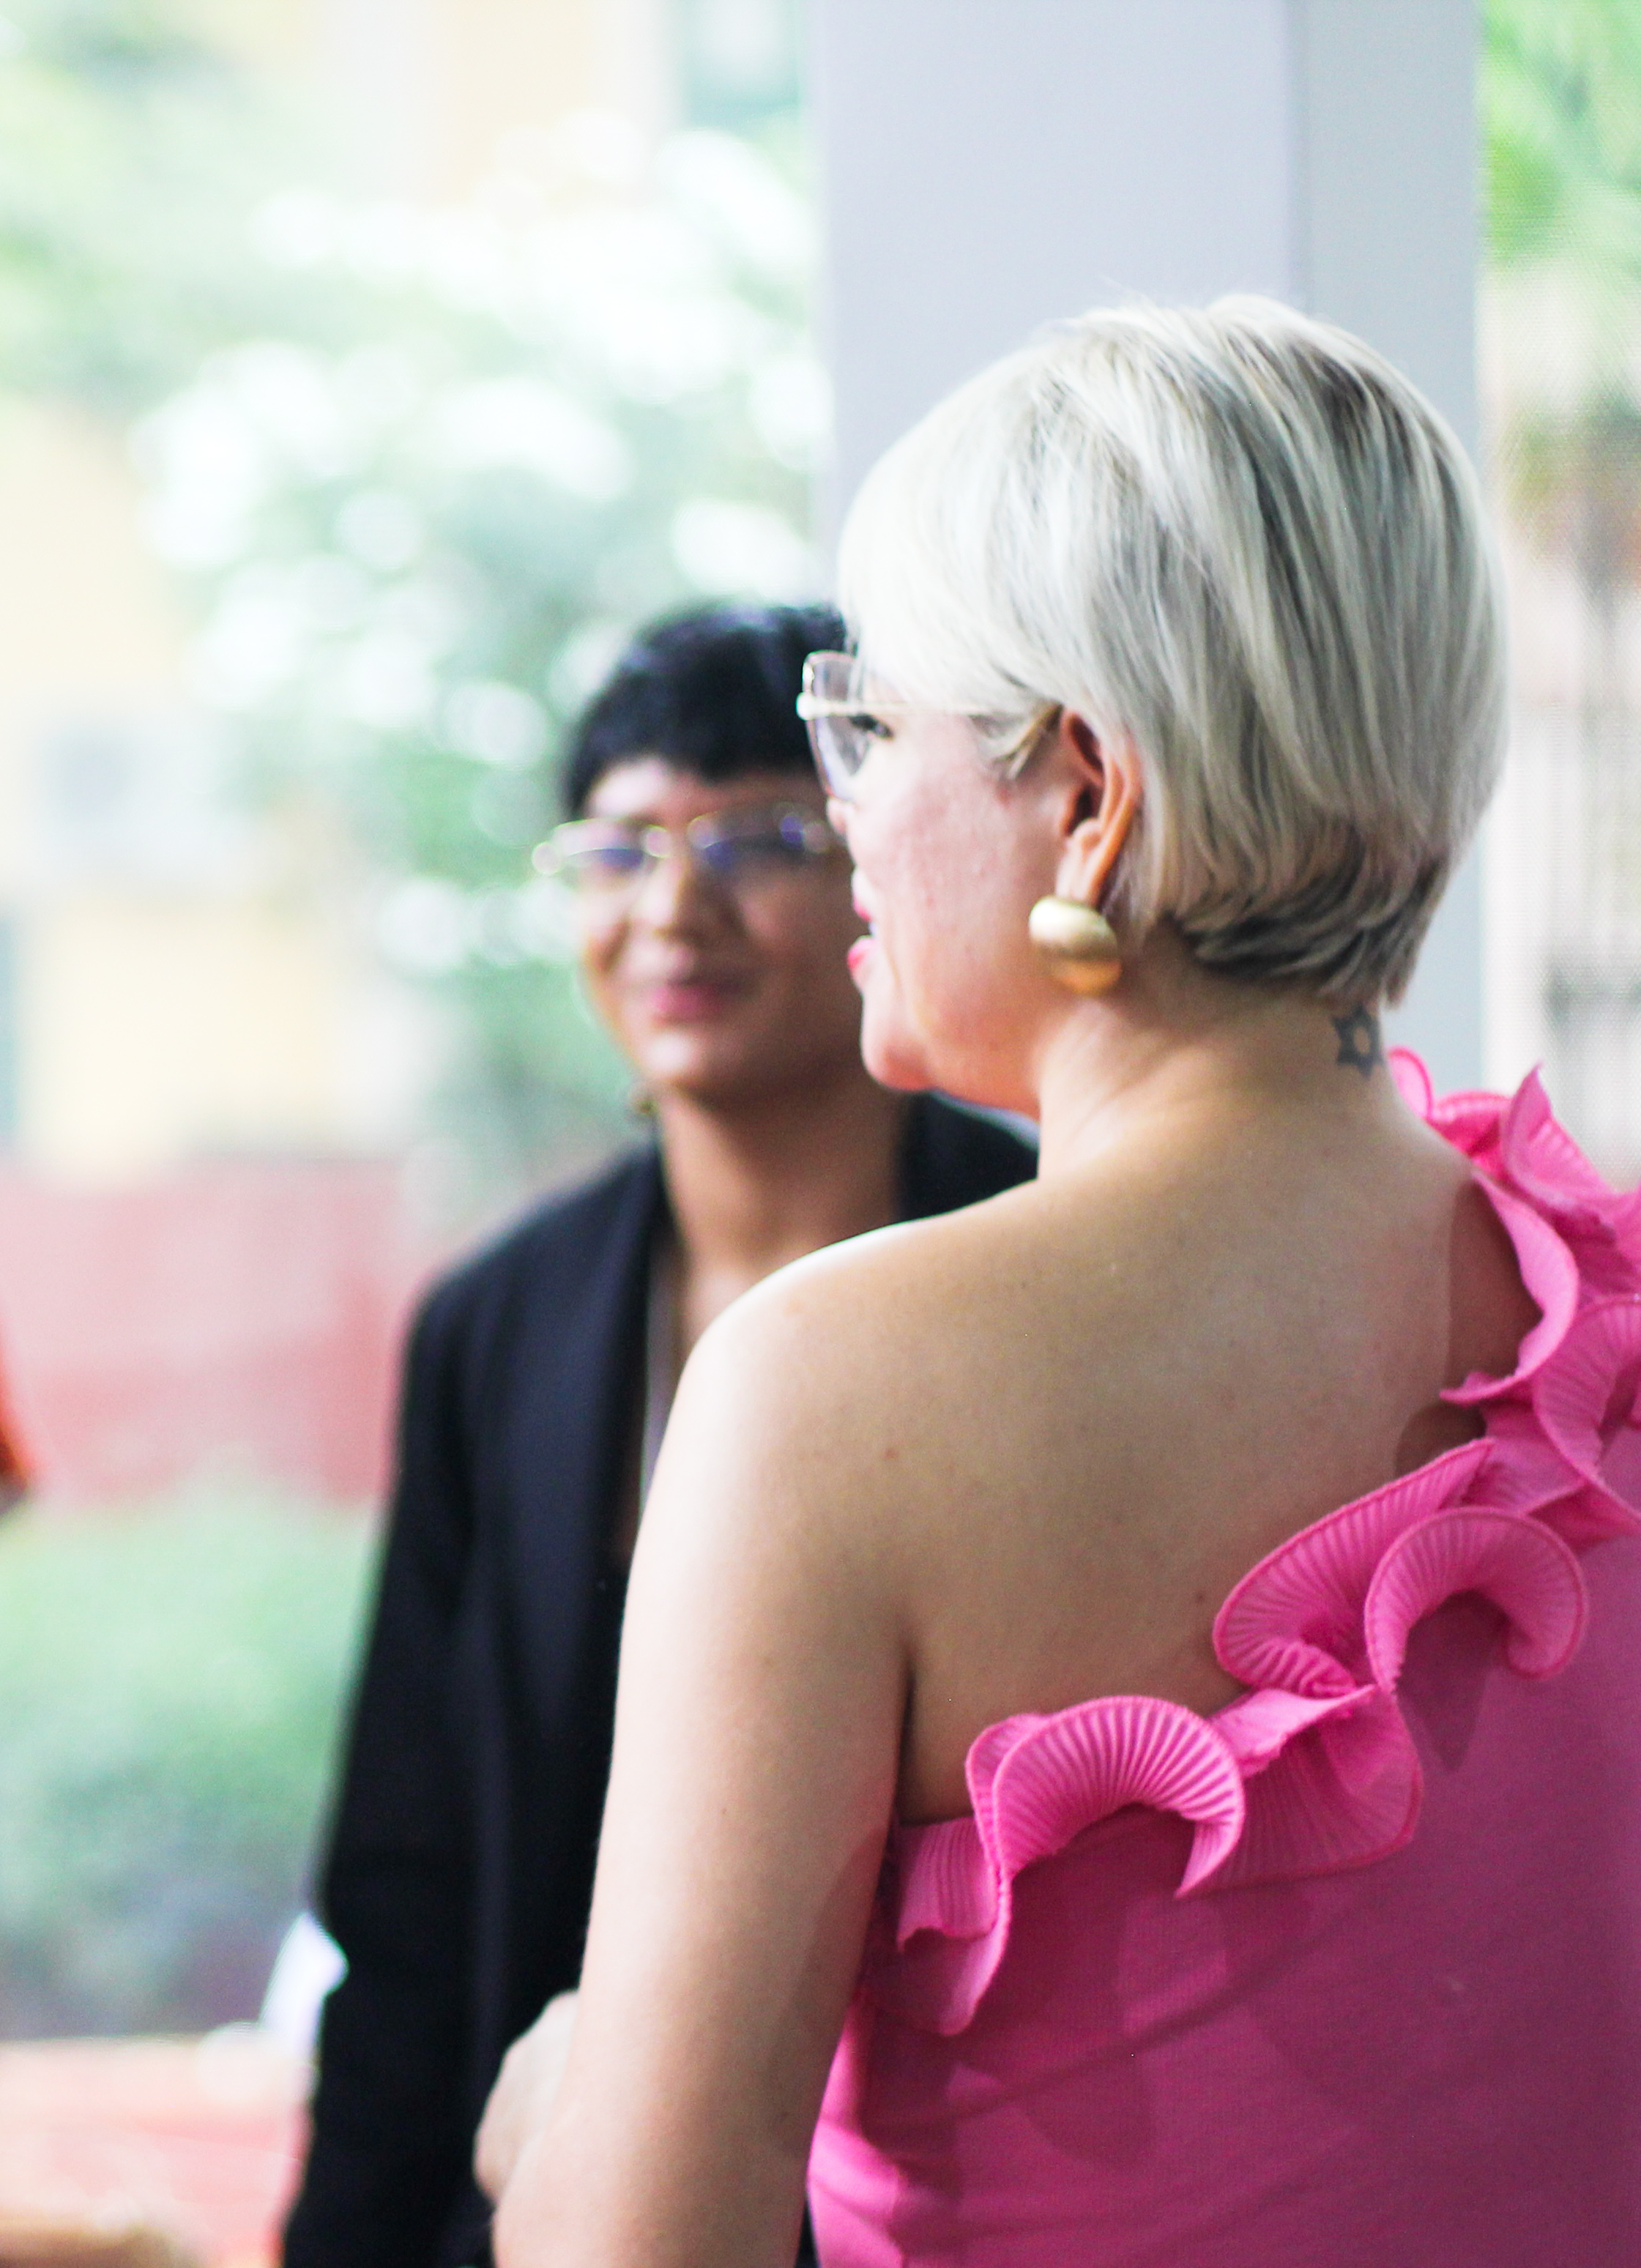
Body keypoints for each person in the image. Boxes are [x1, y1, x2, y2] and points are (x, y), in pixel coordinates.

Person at [476, 297, 1640, 2267]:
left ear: (1081, 793)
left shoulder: (833, 1395)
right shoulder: (1592, 1308)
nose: (842, 806)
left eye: (868, 729)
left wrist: (556, 2103)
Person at [283, 604, 1034, 2268]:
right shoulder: (496, 1325)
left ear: (871, 865)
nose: (671, 911)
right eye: (619, 851)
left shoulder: (1042, 1259)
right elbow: (407, 1879)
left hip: (938, 2210)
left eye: (756, 840)